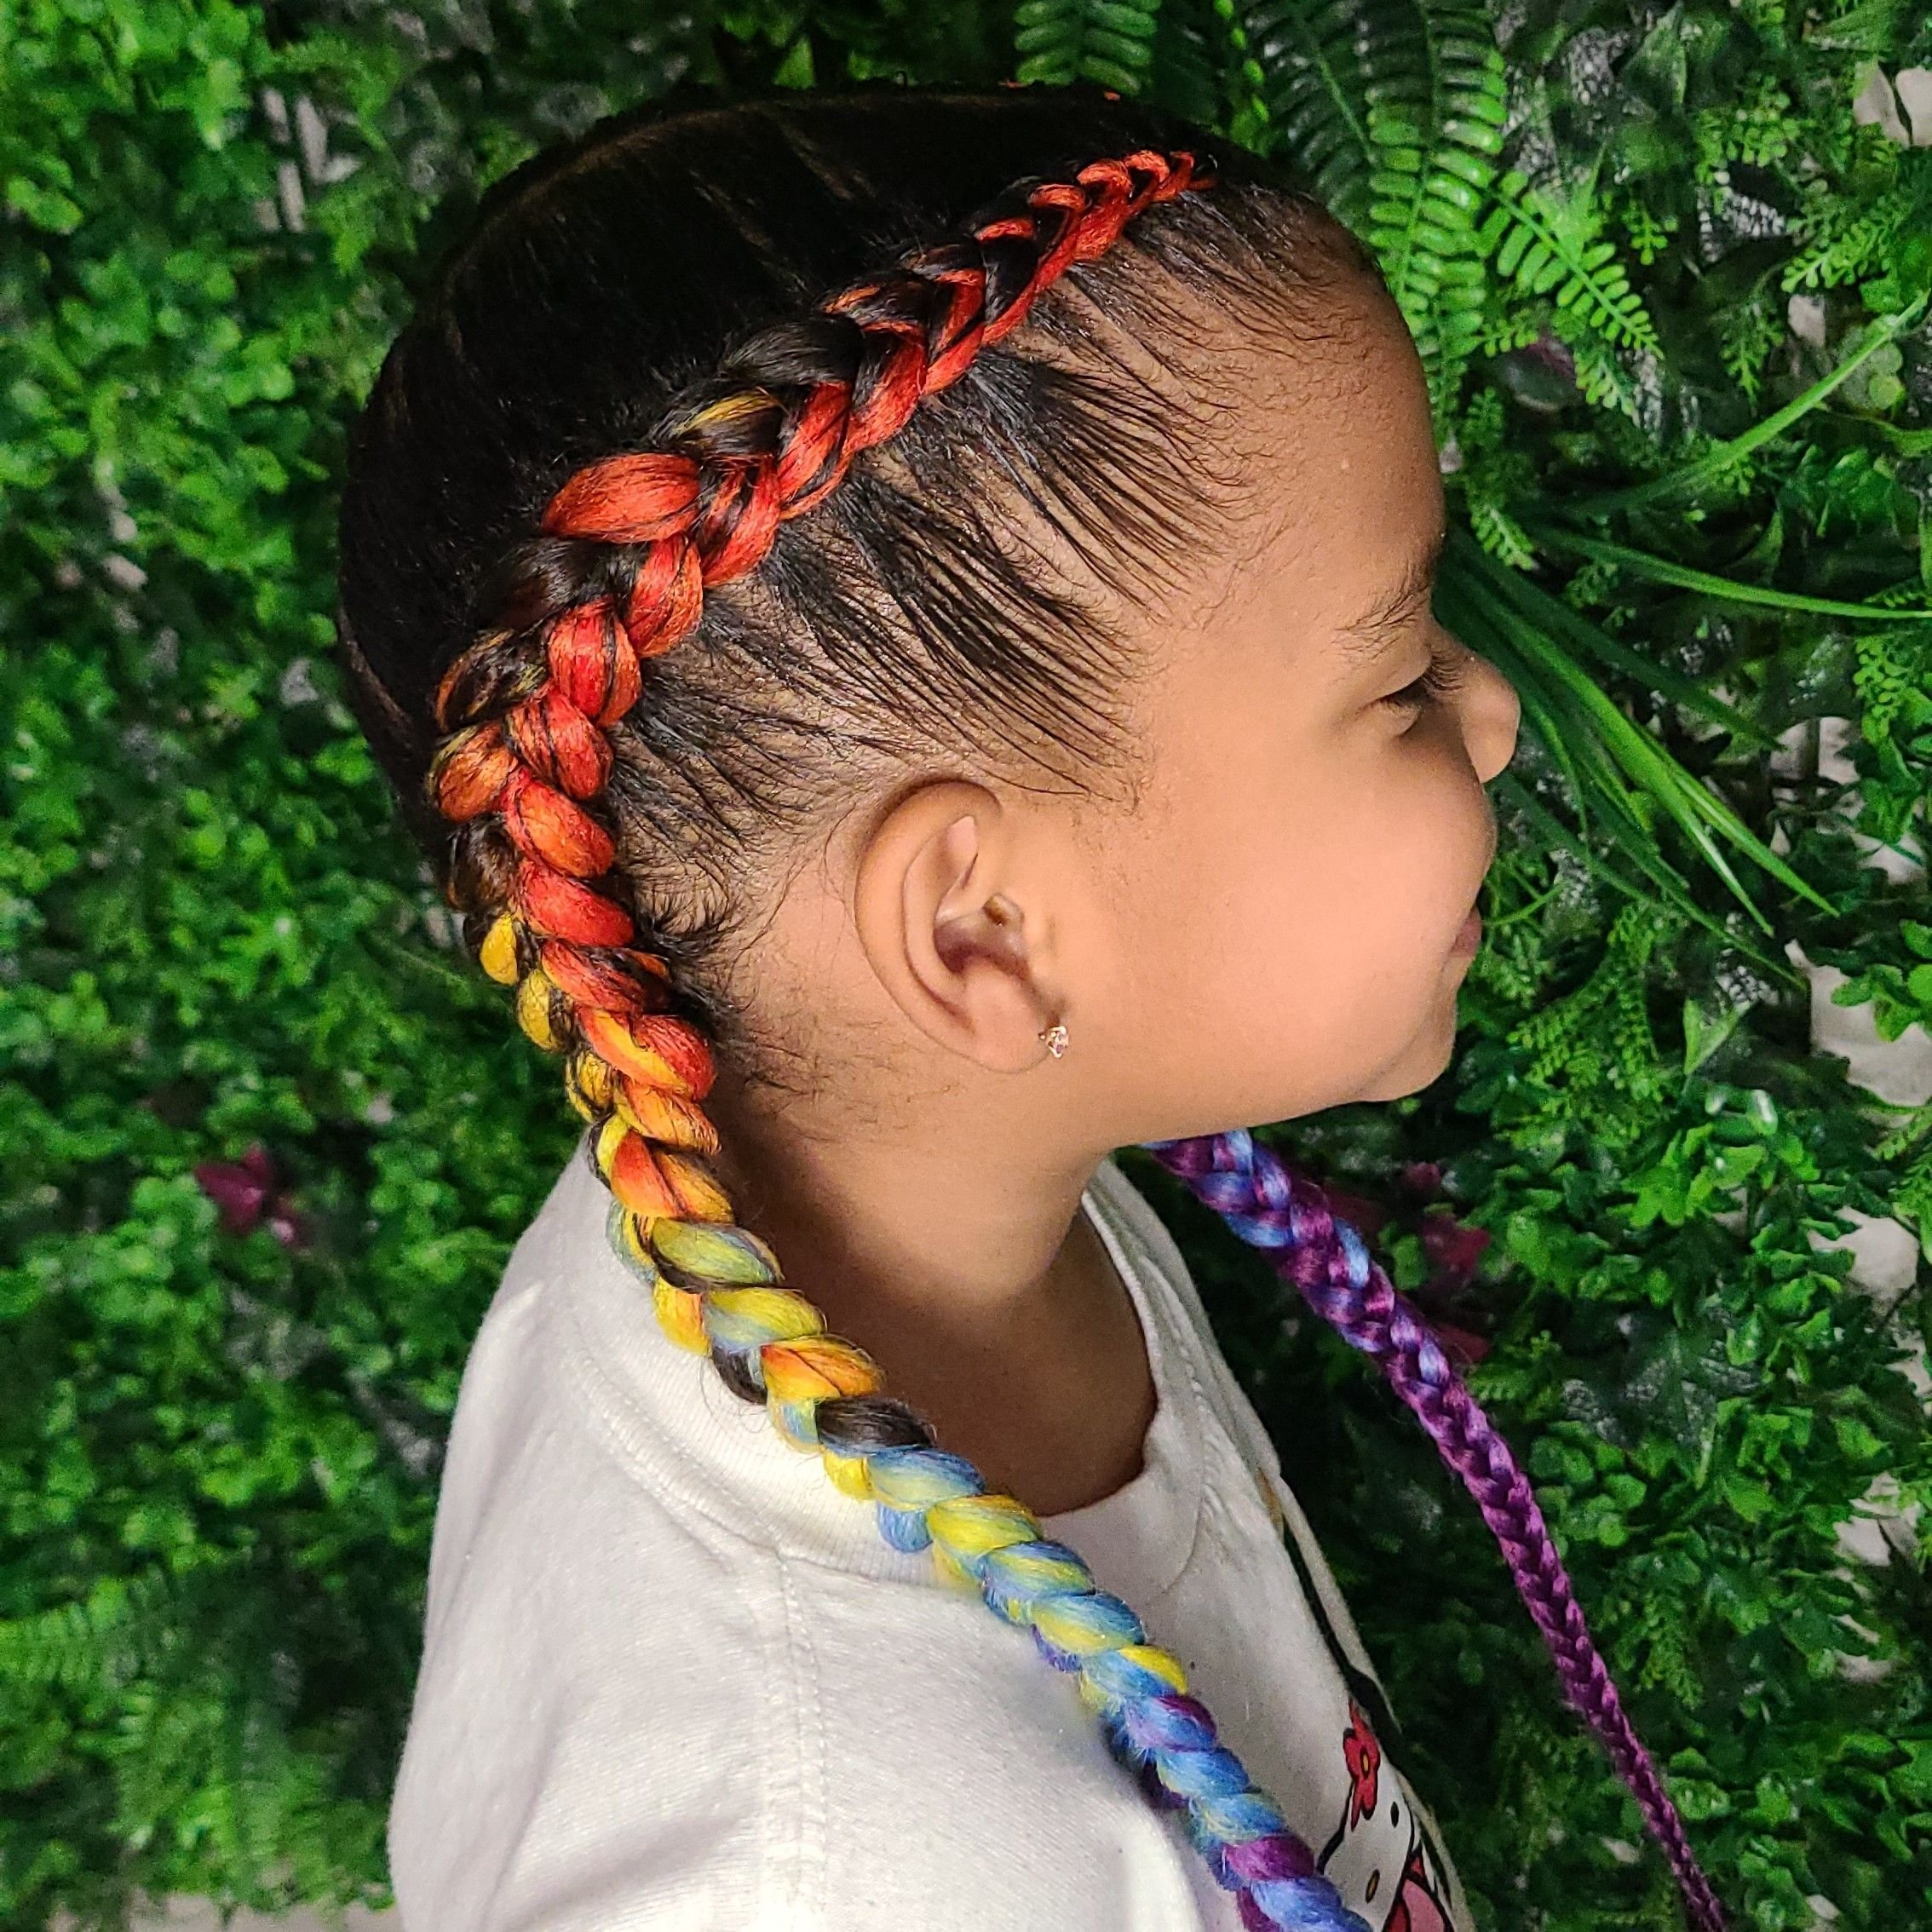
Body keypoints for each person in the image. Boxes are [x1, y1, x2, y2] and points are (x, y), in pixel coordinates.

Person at [332, 81, 1714, 1932]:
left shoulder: (901, 1184)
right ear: (982, 936)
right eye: (1397, 677)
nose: (1494, 713)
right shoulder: (834, 1872)